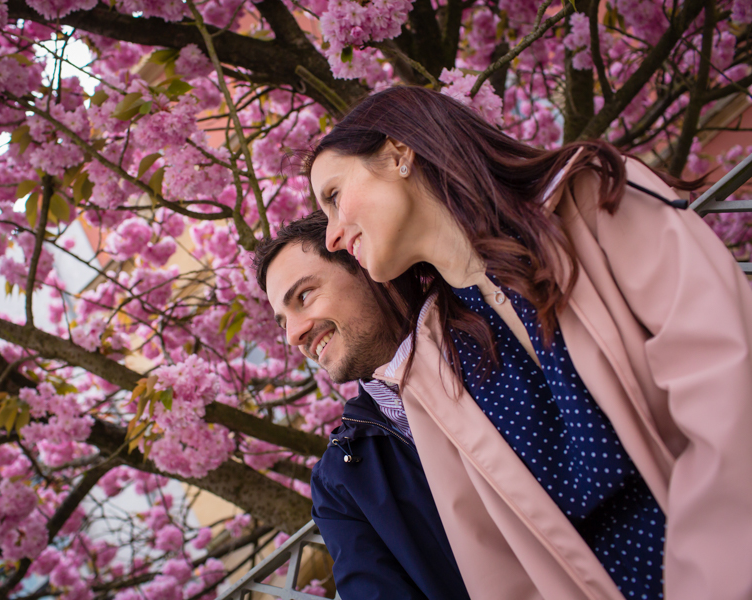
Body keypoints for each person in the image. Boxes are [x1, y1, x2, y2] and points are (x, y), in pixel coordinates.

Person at [307, 86, 752, 600]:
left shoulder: (591, 202)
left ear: (398, 153)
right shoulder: (429, 372)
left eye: (335, 197)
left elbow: (728, 387)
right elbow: (501, 572)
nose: (333, 236)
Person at [252, 212, 471, 600]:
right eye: (282, 322)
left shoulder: (500, 330)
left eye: (304, 296)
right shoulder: (340, 480)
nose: (293, 336)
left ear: (367, 264)